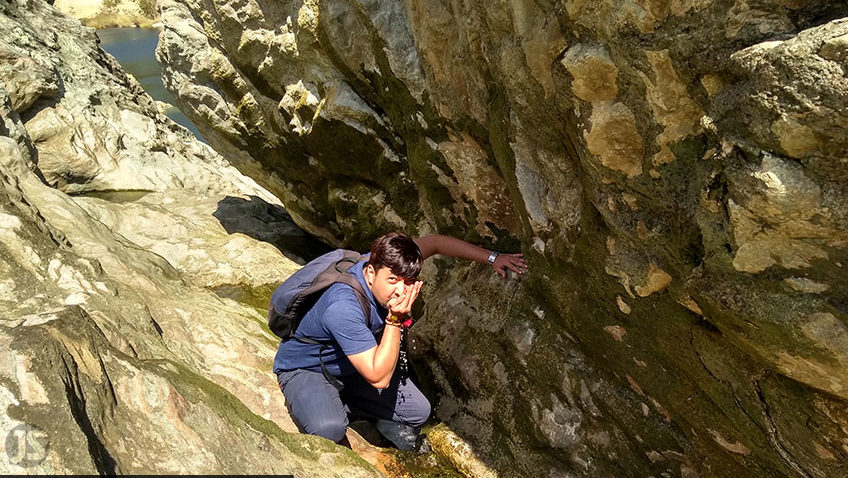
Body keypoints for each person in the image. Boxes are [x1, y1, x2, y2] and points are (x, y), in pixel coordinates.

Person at [273, 232, 527, 450]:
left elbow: (436, 243)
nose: (400, 291)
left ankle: (350, 404)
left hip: (353, 367)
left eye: (408, 282)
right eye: (392, 281)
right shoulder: (343, 305)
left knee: (417, 411)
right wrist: (395, 319)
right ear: (371, 272)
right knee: (328, 429)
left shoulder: (395, 262)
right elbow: (378, 377)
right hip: (307, 369)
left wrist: (493, 258)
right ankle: (326, 402)